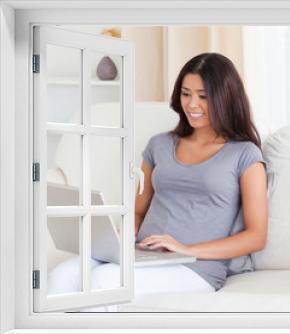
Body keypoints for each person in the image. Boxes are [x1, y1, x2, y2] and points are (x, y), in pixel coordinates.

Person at [47, 53, 268, 310]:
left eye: (203, 96)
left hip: (195, 266)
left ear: (225, 97)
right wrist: (119, 237)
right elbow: (138, 211)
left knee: (104, 281)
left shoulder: (244, 154)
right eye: (186, 94)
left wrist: (185, 248)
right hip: (143, 255)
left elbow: (256, 236)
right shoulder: (159, 144)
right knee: (61, 276)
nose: (192, 104)